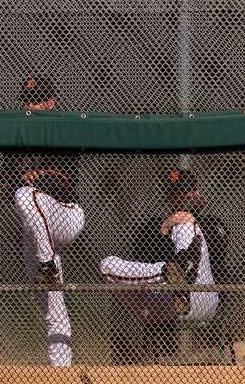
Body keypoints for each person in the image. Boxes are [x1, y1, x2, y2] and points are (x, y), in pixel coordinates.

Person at [103, 169, 228, 363]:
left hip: (201, 295)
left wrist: (188, 217)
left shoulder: (210, 223)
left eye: (185, 193)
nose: (178, 198)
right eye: (174, 193)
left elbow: (218, 253)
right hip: (167, 302)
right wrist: (165, 227)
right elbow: (144, 256)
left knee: (185, 224)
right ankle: (171, 273)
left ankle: (177, 272)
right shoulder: (158, 227)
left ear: (196, 192)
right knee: (107, 265)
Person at [12, 76, 84, 367]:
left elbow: (65, 180)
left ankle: (47, 264)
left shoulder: (63, 131)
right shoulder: (16, 138)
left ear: (51, 103)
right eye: (27, 101)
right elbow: (5, 182)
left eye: (37, 101)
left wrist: (36, 177)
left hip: (65, 214)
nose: (31, 107)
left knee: (26, 193)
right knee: (50, 303)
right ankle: (61, 370)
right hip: (35, 228)